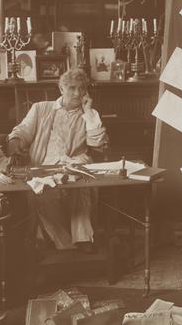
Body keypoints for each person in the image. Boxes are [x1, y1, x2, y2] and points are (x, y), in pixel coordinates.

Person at [6, 68, 108, 252]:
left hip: (76, 164)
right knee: (41, 194)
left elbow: (98, 143)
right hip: (44, 167)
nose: (77, 93)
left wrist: (89, 112)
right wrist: (15, 141)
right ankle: (65, 245)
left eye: (82, 88)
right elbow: (23, 129)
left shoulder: (88, 114)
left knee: (80, 188)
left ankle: (83, 239)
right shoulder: (41, 108)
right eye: (72, 88)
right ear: (61, 89)